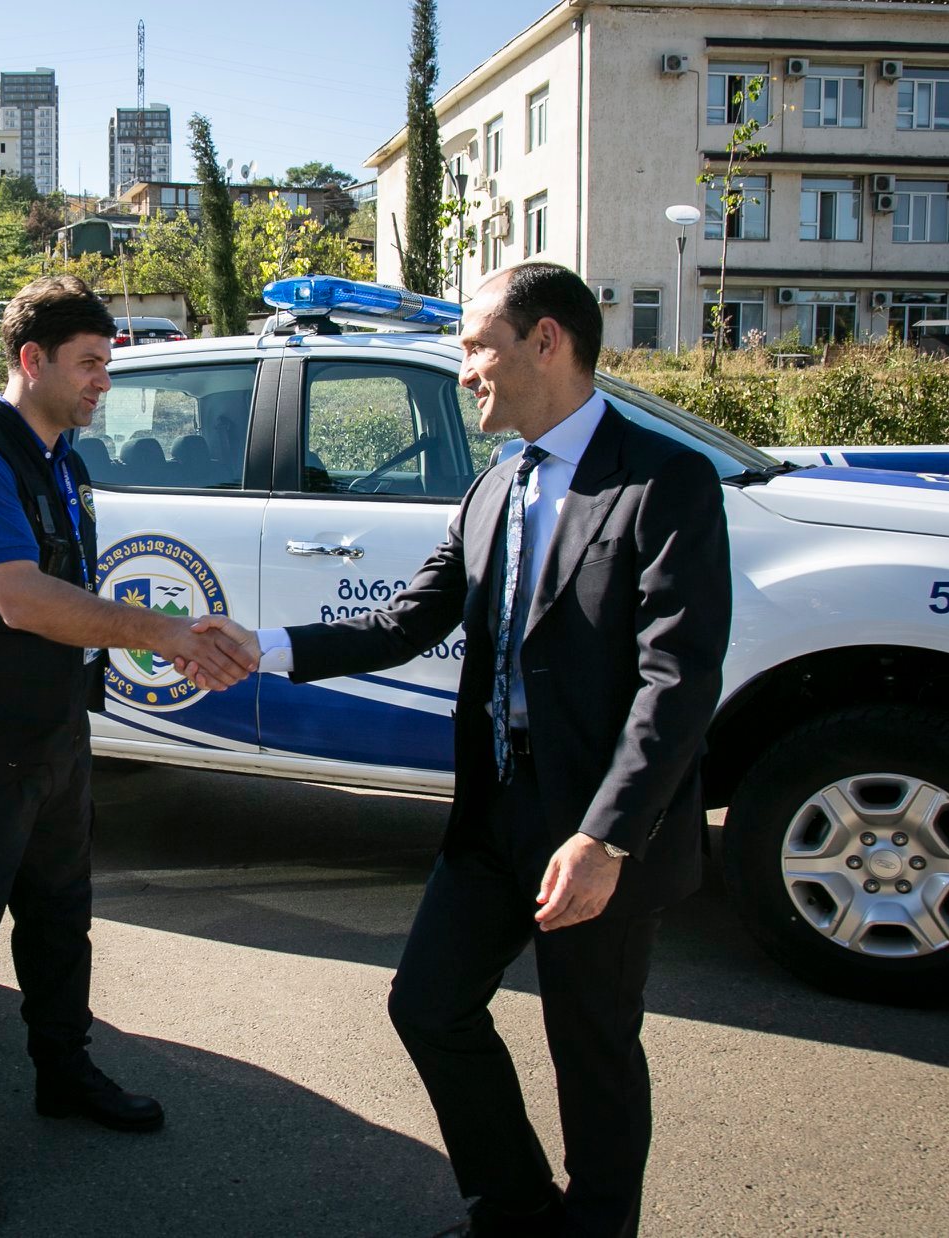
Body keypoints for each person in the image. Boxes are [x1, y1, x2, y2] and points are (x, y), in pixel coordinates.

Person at [187, 262, 731, 1237]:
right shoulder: (493, 489)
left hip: (595, 829)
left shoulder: (663, 480)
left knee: (592, 1046)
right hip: (496, 811)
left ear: (547, 341)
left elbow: (677, 679)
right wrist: (262, 648)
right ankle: (516, 1207)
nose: (466, 367)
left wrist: (607, 837)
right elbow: (405, 621)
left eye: (478, 345)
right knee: (429, 1005)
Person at [0, 274, 256, 1228]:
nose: (106, 380)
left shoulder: (64, 457)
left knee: (61, 923)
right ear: (33, 360)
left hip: (55, 731)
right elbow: (21, 599)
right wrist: (165, 633)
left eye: (108, 362)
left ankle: (63, 1074)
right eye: (91, 363)